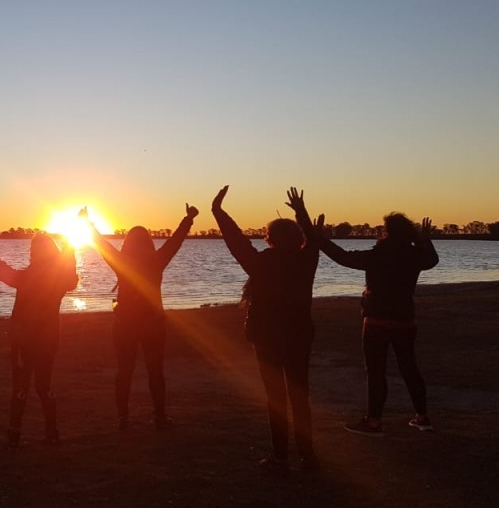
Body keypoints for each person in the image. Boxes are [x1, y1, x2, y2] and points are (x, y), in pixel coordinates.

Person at [213, 186, 322, 475]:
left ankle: (281, 457)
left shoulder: (261, 263)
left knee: (276, 398)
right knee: (299, 396)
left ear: (269, 238)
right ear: (297, 238)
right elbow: (314, 241)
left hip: (268, 338)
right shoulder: (306, 261)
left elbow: (236, 242)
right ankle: (307, 456)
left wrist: (219, 212)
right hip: (298, 337)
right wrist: (302, 212)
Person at [317, 213, 439, 436]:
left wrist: (320, 240)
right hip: (405, 320)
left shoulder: (378, 255)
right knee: (409, 368)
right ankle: (422, 417)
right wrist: (424, 240)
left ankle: (374, 421)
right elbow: (432, 260)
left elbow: (343, 257)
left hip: (377, 320)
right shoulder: (414, 255)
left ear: (387, 232)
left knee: (376, 371)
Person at [83, 204, 197, 431]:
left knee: (124, 370)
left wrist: (88, 223)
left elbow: (101, 243)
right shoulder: (157, 260)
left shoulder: (122, 261)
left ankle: (123, 418)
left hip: (125, 324)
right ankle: (160, 416)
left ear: (127, 243)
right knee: (155, 370)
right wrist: (188, 219)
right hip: (153, 324)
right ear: (148, 243)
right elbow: (175, 242)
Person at [0, 230, 79, 446]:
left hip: (25, 338)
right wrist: (70, 248)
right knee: (44, 385)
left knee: (21, 386)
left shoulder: (25, 278)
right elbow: (70, 272)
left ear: (33, 254)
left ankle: (15, 432)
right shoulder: (60, 280)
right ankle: (51, 432)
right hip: (48, 338)